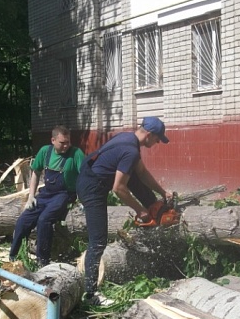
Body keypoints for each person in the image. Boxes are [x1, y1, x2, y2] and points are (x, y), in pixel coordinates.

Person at [76, 116, 173, 305]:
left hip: (93, 178)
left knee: (135, 176)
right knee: (98, 240)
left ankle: (157, 211)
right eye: (157, 139)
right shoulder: (130, 151)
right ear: (149, 135)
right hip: (91, 186)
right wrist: (140, 211)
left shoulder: (128, 139)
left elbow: (142, 173)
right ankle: (90, 294)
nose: (158, 142)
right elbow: (118, 188)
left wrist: (163, 193)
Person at [9, 125, 83, 266]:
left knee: (44, 220)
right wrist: (31, 196)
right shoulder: (45, 152)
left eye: (68, 142)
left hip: (65, 194)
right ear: (53, 140)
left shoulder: (76, 153)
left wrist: (83, 198)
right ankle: (13, 256)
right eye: (62, 143)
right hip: (46, 194)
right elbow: (36, 172)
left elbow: (85, 175)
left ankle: (42, 260)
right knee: (23, 220)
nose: (66, 145)